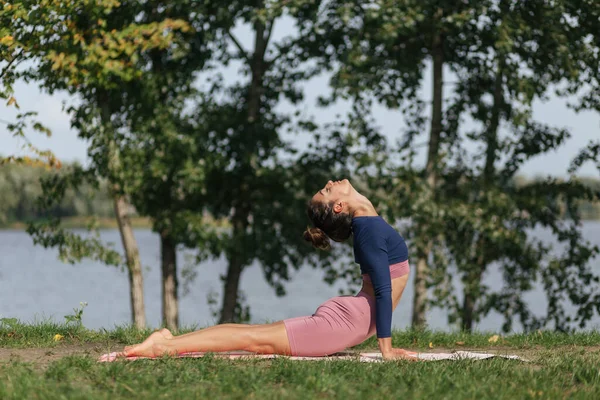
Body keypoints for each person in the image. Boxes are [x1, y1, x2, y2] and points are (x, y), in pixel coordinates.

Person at [122, 179, 416, 360]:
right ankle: (163, 347)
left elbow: (381, 288)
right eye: (328, 190)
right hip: (347, 323)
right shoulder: (369, 228)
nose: (330, 182)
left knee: (255, 336)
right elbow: (382, 289)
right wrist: (386, 349)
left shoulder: (368, 224)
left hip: (350, 319)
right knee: (254, 339)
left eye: (326, 188)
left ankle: (168, 341)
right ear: (339, 205)